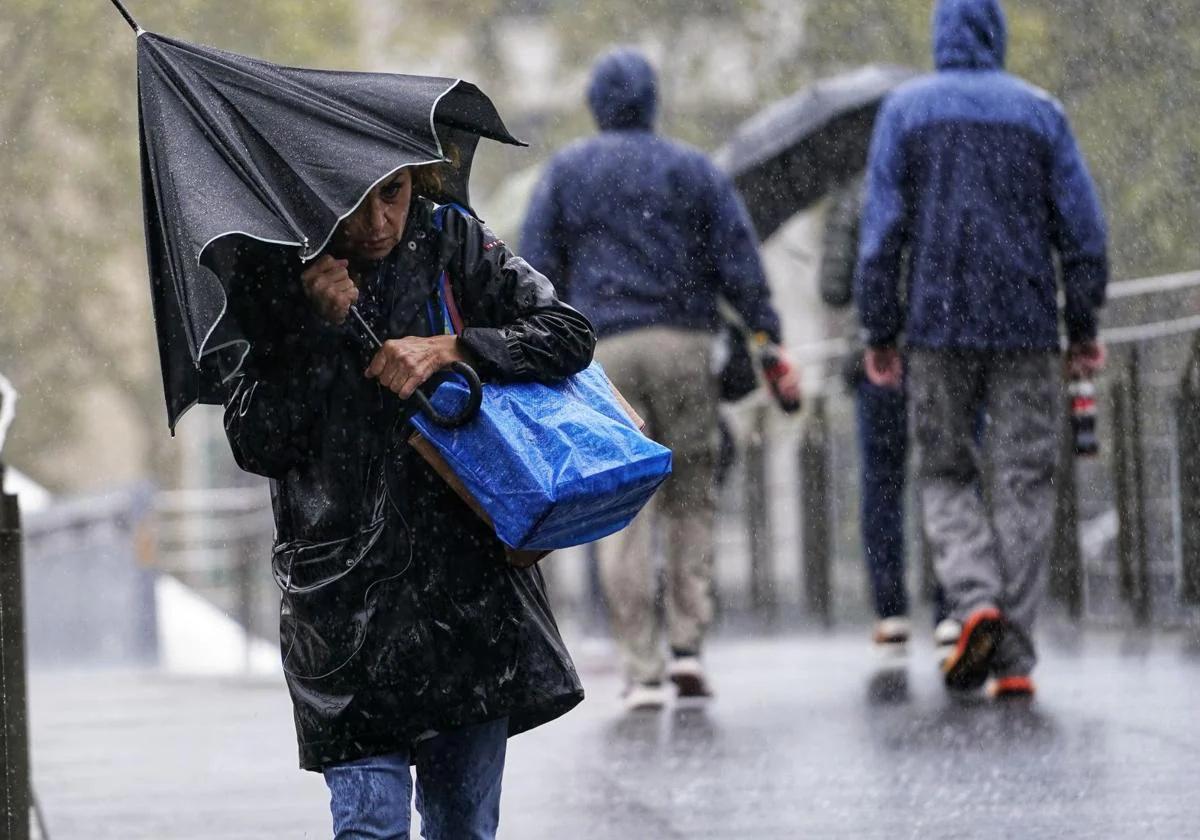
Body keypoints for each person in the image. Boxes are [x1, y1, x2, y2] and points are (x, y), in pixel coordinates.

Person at [223, 163, 596, 839]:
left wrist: (456, 348)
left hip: (468, 593)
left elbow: (567, 335)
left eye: (391, 195)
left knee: (462, 825)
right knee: (367, 825)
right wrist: (308, 329)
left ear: (416, 183)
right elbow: (257, 441)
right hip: (342, 604)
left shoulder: (453, 240)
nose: (377, 223)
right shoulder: (280, 272)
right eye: (355, 201)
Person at [522, 47, 800, 712]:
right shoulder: (692, 170)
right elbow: (738, 260)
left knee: (622, 508)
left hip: (601, 353)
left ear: (594, 105)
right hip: (684, 344)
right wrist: (766, 336)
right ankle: (687, 646)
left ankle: (640, 667)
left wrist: (532, 347)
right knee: (692, 496)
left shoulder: (565, 174)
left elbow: (533, 268)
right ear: (652, 103)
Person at [856, 0, 1108, 697]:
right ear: (995, 34)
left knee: (942, 472)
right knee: (1024, 480)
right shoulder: (1041, 112)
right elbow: (1083, 231)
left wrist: (880, 330)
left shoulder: (904, 112)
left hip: (935, 330)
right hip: (1027, 327)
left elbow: (881, 236)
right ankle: (1015, 657)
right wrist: (1081, 325)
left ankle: (976, 598)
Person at [820, 178, 958, 661]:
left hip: (875, 361)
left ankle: (891, 614)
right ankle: (951, 607)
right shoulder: (939, 184)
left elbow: (833, 289)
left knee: (882, 484)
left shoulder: (857, 192)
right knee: (948, 474)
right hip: (939, 349)